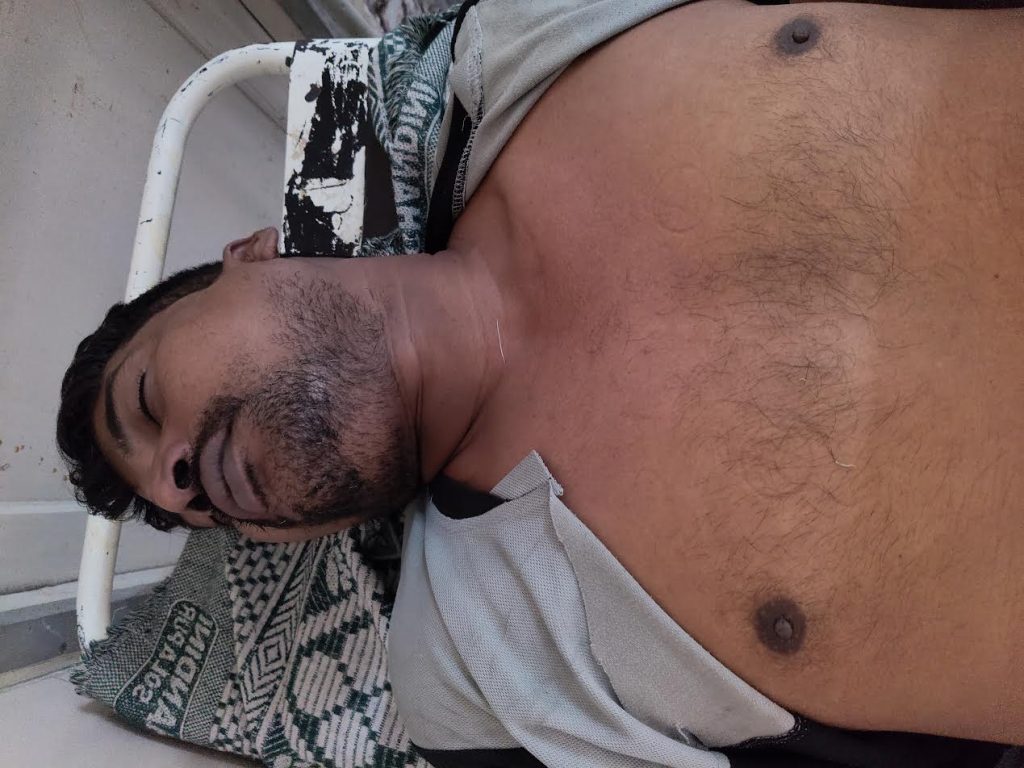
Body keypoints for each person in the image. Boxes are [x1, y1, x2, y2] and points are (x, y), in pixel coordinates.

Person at [57, 0, 1024, 765]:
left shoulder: (526, 39)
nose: (181, 485)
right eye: (193, 513)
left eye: (145, 404)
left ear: (254, 254)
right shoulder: (472, 678)